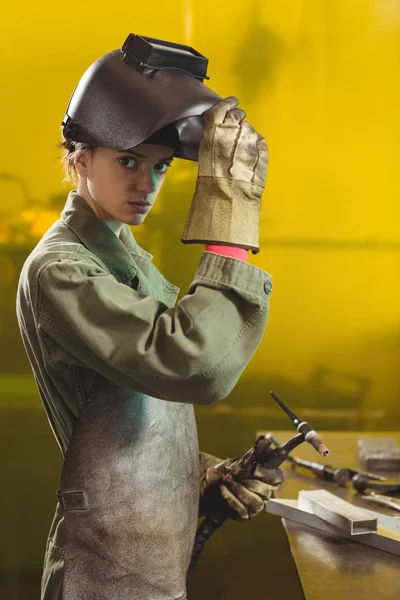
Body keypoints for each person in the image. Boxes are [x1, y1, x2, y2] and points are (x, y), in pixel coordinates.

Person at [16, 34, 283, 600]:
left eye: (160, 168)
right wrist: (230, 225)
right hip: (106, 571)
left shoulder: (125, 255)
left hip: (145, 558)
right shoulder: (61, 270)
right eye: (129, 162)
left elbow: (136, 414)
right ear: (80, 156)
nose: (146, 185)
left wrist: (202, 477)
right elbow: (192, 363)